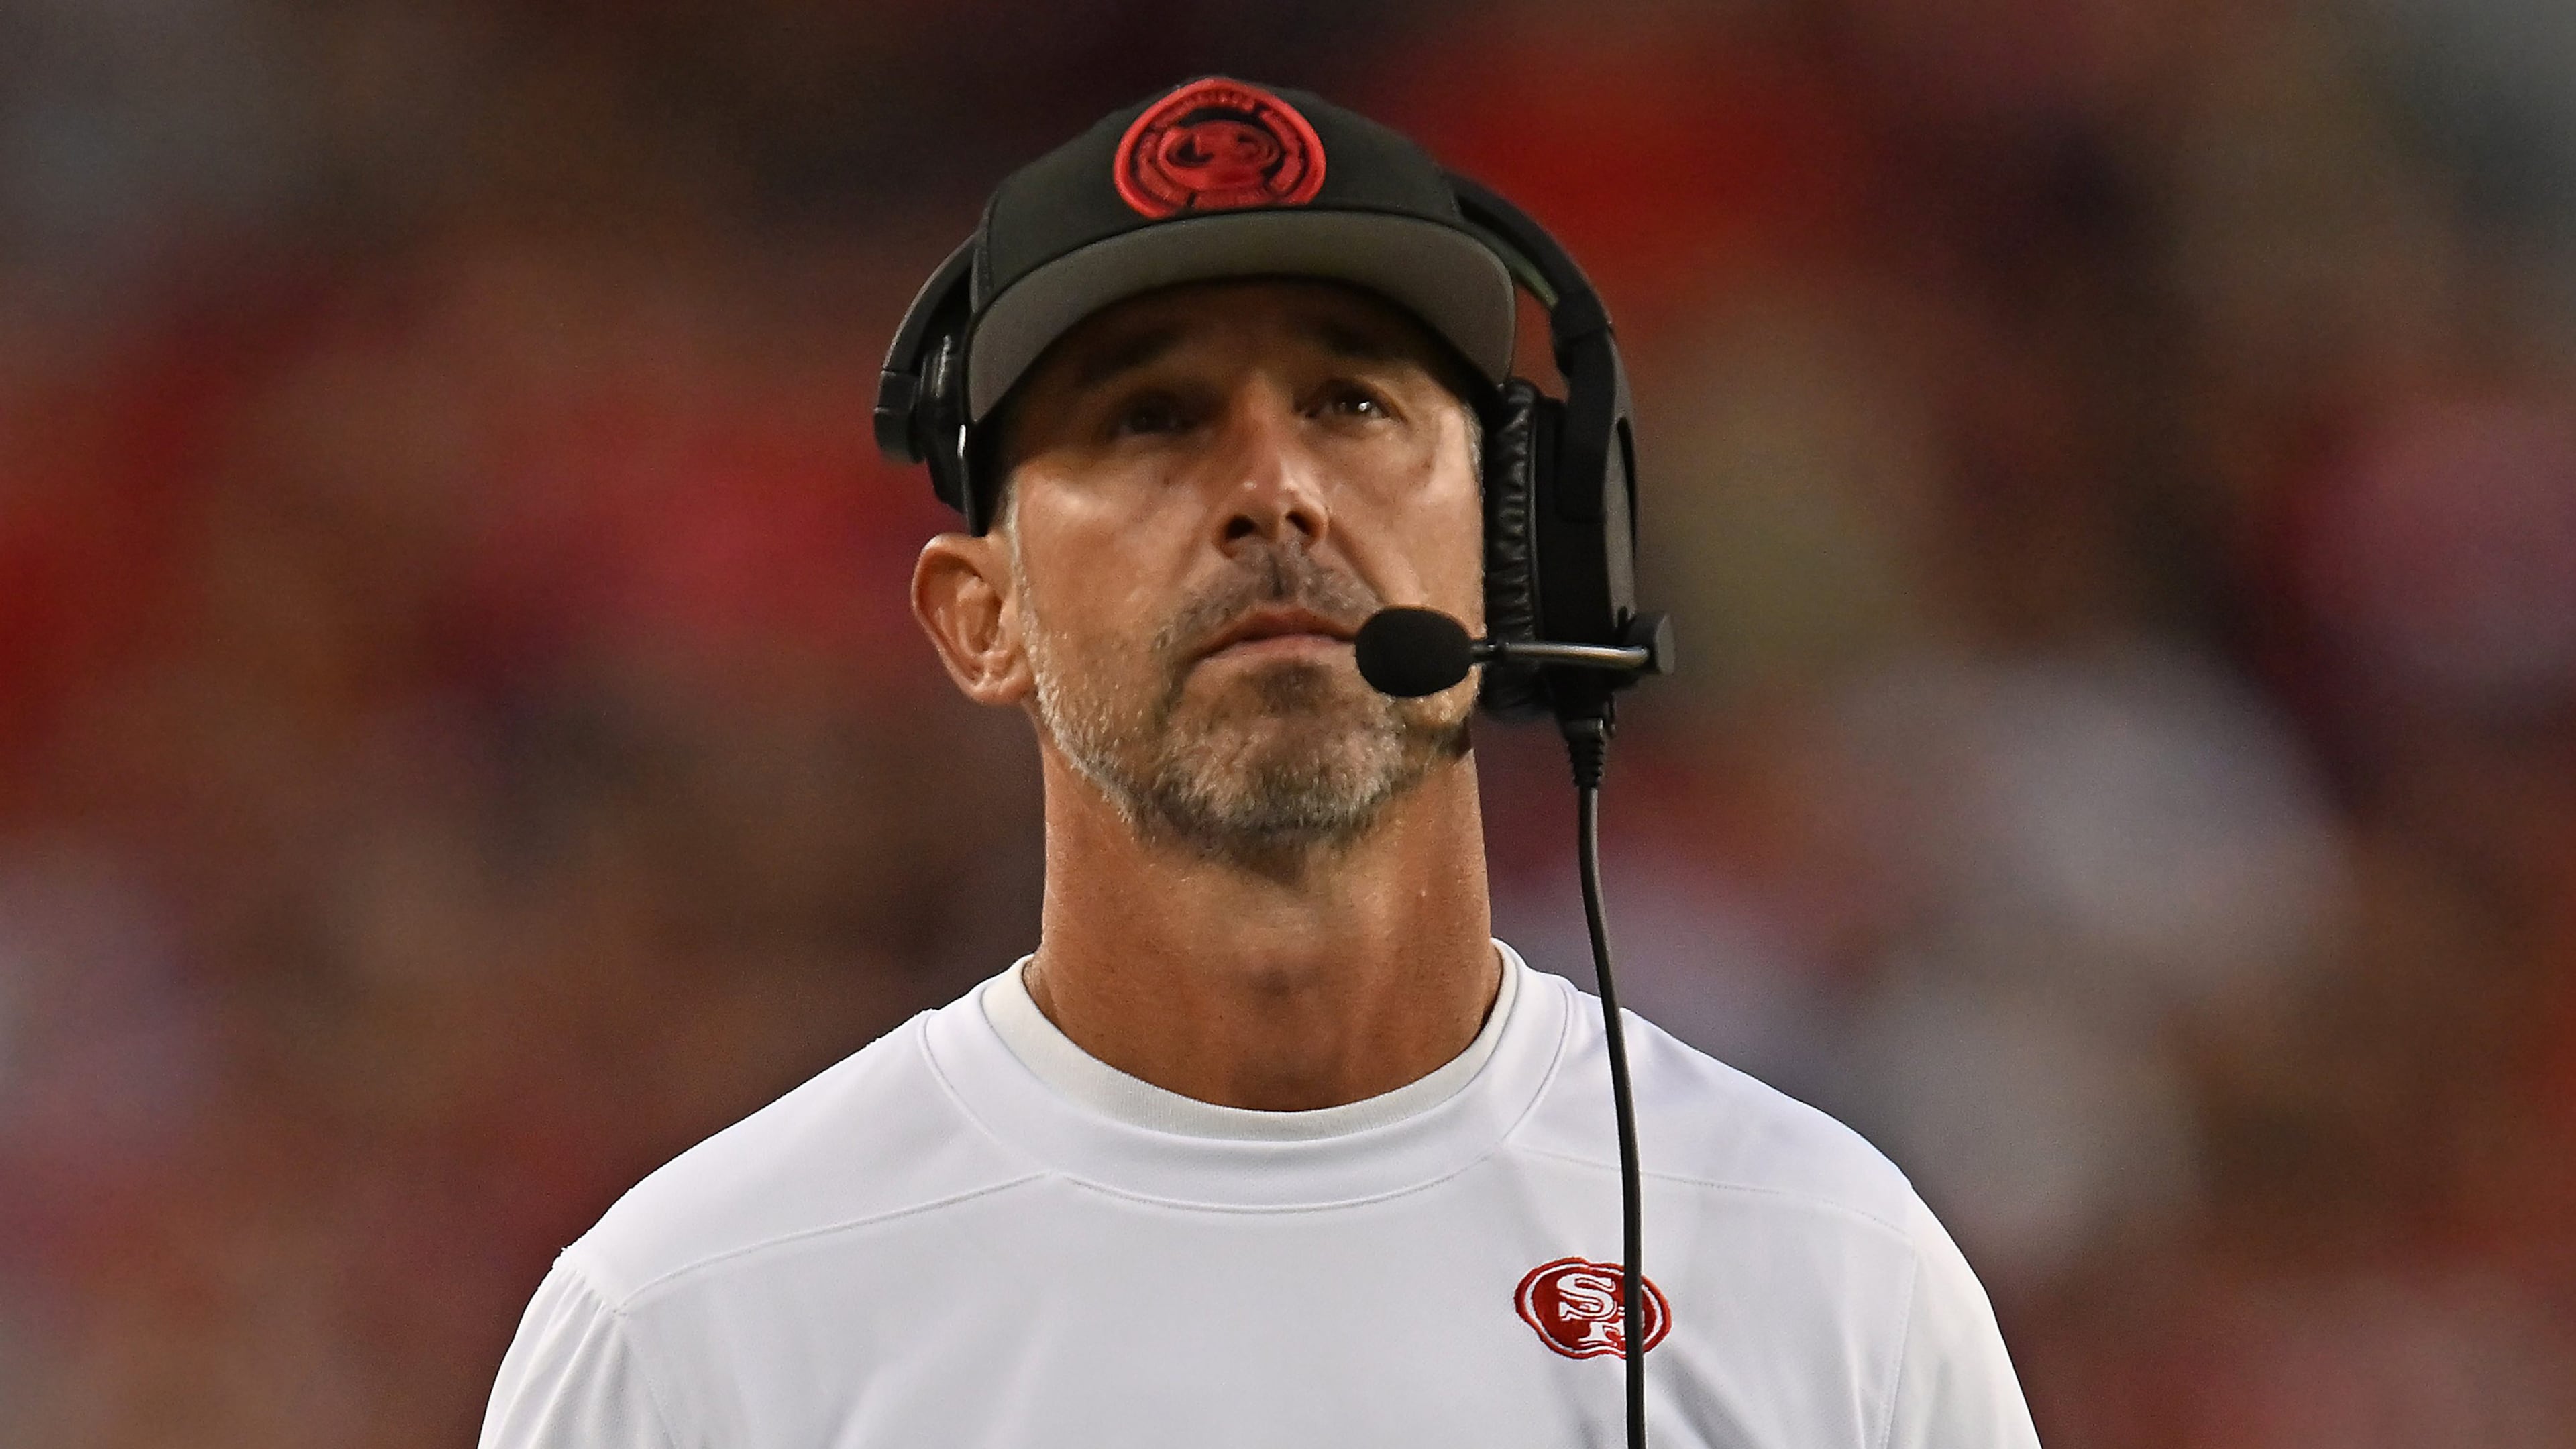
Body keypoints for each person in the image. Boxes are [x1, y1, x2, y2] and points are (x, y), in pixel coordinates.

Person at [479, 76, 2041, 1448]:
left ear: (1518, 562)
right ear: (981, 617)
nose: (1275, 489)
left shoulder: (1829, 1270)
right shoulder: (694, 1326)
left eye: (1353, 401)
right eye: (1150, 415)